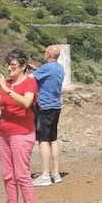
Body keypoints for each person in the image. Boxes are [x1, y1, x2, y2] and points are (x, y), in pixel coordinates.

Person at [0, 48, 39, 203]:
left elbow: (26, 102)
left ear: (23, 66)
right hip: (4, 133)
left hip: (22, 133)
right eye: (8, 65)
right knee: (8, 174)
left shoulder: (29, 82)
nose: (9, 68)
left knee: (22, 173)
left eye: (13, 65)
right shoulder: (6, 85)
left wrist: (6, 89)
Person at [30, 45, 65, 187]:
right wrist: (37, 69)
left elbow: (29, 78)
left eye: (45, 52)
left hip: (44, 107)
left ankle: (45, 175)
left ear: (48, 54)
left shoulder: (46, 68)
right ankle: (56, 173)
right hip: (56, 106)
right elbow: (46, 75)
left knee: (43, 140)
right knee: (53, 139)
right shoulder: (59, 68)